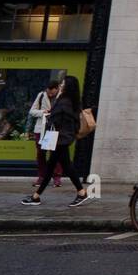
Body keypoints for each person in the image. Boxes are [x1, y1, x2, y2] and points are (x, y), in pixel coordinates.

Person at [20, 76, 88, 207]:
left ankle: (80, 192)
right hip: (62, 138)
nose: (61, 85)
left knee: (59, 166)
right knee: (57, 166)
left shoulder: (64, 102)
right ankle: (37, 196)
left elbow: (56, 119)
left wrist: (51, 116)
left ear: (68, 86)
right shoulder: (71, 101)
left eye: (63, 84)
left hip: (59, 139)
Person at [27, 80, 63, 191]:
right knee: (41, 154)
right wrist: (43, 112)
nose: (50, 94)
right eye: (48, 92)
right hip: (41, 129)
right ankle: (41, 177)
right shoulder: (41, 95)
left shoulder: (62, 97)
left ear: (57, 89)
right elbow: (32, 111)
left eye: (52, 93)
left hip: (53, 129)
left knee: (54, 153)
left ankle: (57, 178)